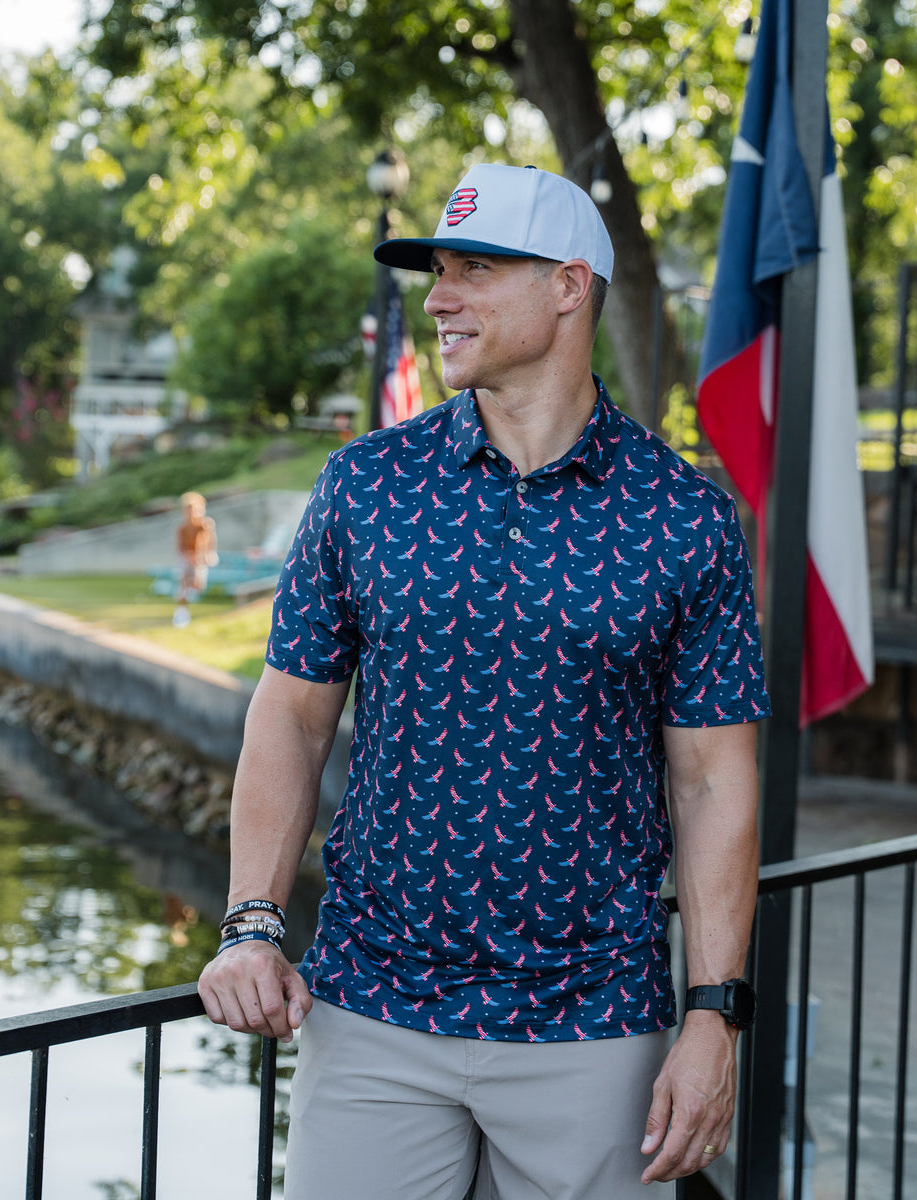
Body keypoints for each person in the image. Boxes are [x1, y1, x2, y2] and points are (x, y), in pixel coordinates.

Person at [198, 162, 770, 1198]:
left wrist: (711, 1015)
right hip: (372, 1009)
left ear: (568, 285)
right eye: (436, 271)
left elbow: (714, 781)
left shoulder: (686, 518)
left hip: (596, 1026)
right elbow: (291, 718)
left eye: (475, 269)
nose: (438, 297)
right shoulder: (363, 486)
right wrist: (252, 925)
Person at [172, 491, 217, 627]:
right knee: (184, 581)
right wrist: (191, 558)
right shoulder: (182, 528)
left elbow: (207, 542)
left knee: (198, 584)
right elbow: (181, 548)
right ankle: (181, 610)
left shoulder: (205, 524)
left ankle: (188, 599)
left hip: (200, 557)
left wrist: (206, 555)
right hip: (187, 557)